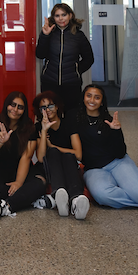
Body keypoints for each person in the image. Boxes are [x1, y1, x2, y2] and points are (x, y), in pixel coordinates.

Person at [0, 91, 46, 218]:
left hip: (20, 169)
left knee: (40, 182)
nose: (15, 110)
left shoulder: (29, 126)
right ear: (6, 105)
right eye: (12, 105)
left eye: (20, 107)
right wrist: (0, 141)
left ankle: (7, 206)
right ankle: (29, 199)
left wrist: (18, 182)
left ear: (24, 110)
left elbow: (27, 156)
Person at [32, 91, 88, 220]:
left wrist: (53, 146)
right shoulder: (38, 127)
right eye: (43, 107)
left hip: (69, 165)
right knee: (53, 153)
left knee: (67, 155)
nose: (47, 110)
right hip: (49, 167)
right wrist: (44, 129)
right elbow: (40, 158)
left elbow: (78, 155)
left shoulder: (69, 123)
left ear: (57, 106)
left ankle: (75, 200)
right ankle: (59, 194)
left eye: (50, 105)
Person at [36, 3, 94, 112]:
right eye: (57, 16)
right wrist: (45, 35)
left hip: (71, 84)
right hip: (49, 82)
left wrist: (76, 70)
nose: (61, 18)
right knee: (50, 113)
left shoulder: (78, 35)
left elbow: (89, 59)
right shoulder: (49, 33)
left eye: (64, 14)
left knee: (71, 114)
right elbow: (40, 54)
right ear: (53, 17)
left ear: (70, 16)